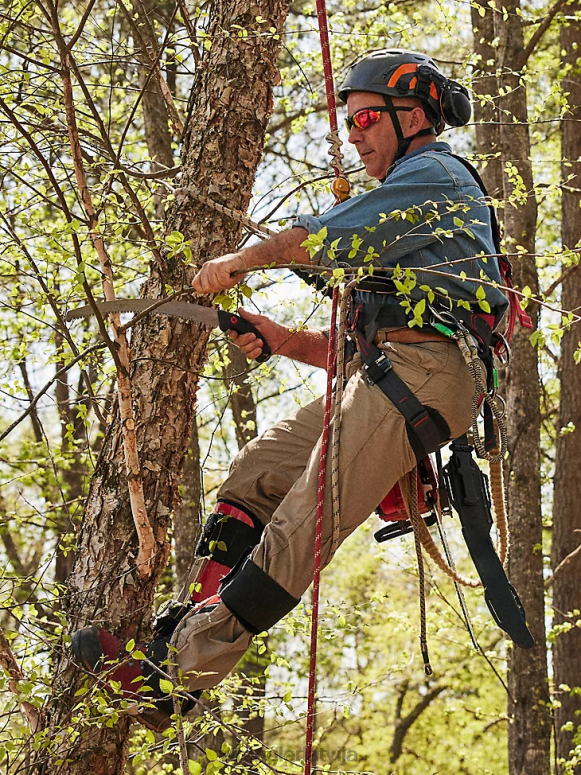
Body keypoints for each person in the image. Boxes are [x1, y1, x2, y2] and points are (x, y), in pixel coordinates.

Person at [72, 49, 509, 732]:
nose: (355, 133)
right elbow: (358, 345)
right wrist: (281, 340)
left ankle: (172, 678)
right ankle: (182, 628)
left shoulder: (432, 173)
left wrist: (238, 262)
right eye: (349, 122)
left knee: (300, 520)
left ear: (414, 115)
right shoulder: (408, 210)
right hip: (394, 369)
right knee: (259, 472)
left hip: (427, 375)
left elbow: (319, 238)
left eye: (366, 117)